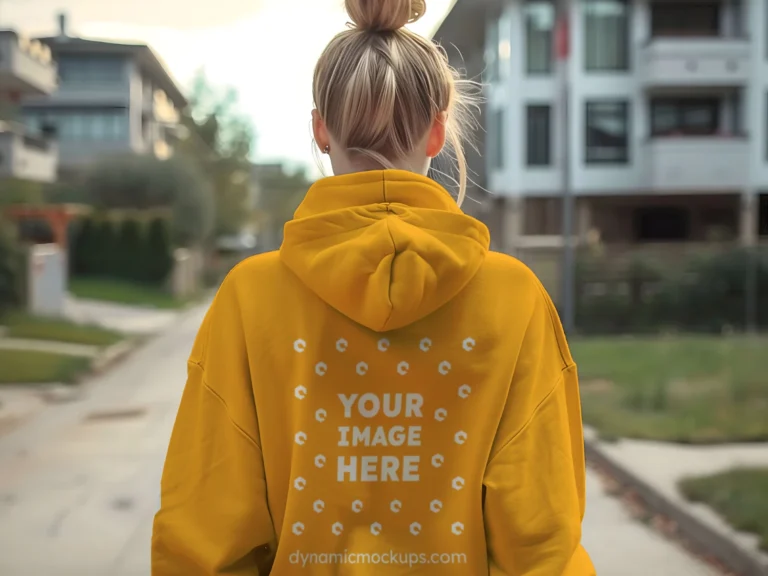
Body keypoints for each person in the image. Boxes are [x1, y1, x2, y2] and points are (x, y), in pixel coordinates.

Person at [151, 0, 596, 574]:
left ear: (320, 129)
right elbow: (542, 544)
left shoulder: (249, 298)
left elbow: (204, 535)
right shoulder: (514, 299)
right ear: (438, 131)